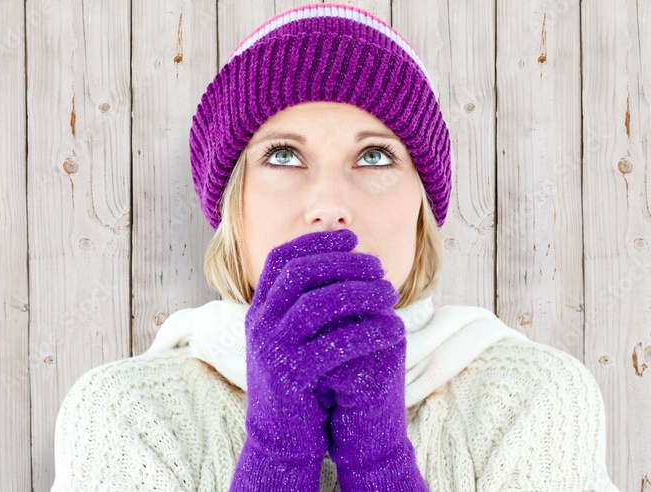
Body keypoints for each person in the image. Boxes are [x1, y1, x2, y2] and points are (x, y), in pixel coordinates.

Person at [50, 3, 620, 490]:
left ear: (421, 207)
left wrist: (380, 464)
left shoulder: (535, 401)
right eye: (282, 155)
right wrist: (278, 457)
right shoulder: (125, 414)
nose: (328, 203)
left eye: (374, 155)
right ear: (233, 208)